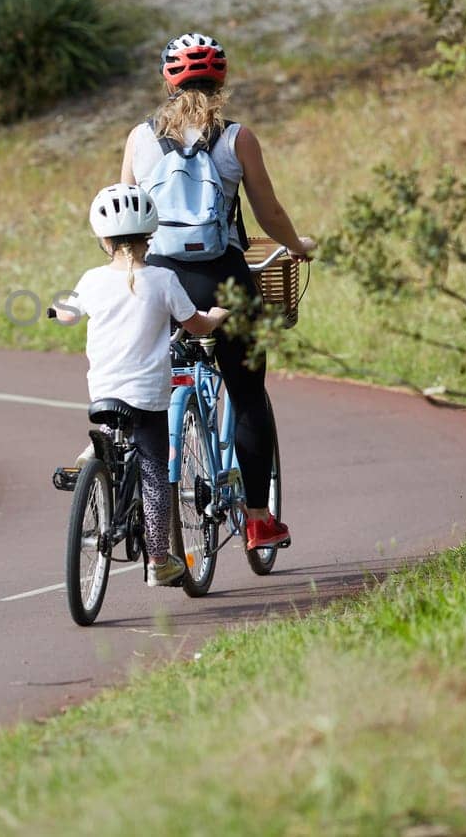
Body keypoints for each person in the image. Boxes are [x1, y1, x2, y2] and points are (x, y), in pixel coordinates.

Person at [120, 32, 314, 550]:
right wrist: (297, 245)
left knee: (143, 394)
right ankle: (257, 519)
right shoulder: (237, 138)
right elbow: (267, 212)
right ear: (222, 79)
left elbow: (126, 216)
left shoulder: (139, 139)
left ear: (167, 79)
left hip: (159, 278)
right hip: (223, 277)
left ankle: (140, 507)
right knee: (248, 393)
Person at [52, 183, 228, 586]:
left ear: (104, 239)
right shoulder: (163, 280)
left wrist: (58, 308)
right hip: (148, 395)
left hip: (104, 391)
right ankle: (158, 560)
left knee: (116, 431)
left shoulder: (92, 280)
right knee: (153, 470)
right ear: (151, 235)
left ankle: (96, 458)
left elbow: (67, 314)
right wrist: (215, 317)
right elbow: (194, 325)